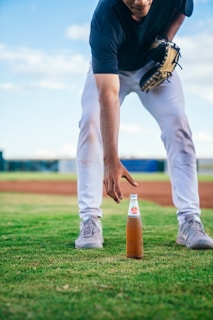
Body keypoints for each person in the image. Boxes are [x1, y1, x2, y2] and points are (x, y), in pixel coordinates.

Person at [75, 0, 213, 250]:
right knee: (90, 122)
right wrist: (111, 160)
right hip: (113, 68)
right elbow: (108, 96)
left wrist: (165, 40)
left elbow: (184, 9)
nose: (139, 2)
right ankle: (90, 220)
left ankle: (190, 219)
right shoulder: (105, 18)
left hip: (152, 64)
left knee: (178, 123)